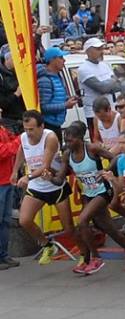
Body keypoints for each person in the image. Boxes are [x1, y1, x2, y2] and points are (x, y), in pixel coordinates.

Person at [61, 122, 125, 275]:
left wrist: (105, 171)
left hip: (103, 191)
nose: (68, 143)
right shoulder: (67, 154)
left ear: (80, 139)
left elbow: (116, 158)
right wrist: (47, 174)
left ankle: (95, 259)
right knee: (108, 228)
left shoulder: (92, 148)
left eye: (71, 140)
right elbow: (60, 177)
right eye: (66, 140)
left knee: (83, 221)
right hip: (87, 193)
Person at [14, 110, 75, 265]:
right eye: (26, 129)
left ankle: (85, 255)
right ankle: (47, 245)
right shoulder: (24, 137)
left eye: (32, 129)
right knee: (24, 220)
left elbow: (45, 166)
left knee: (68, 228)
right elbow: (21, 150)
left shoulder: (50, 137)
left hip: (55, 185)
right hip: (37, 186)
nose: (28, 133)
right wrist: (15, 171)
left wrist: (26, 177)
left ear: (41, 126)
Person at [77, 37, 122, 127]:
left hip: (110, 110)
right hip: (94, 113)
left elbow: (118, 86)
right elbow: (102, 88)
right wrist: (112, 81)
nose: (101, 51)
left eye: (101, 48)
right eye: (97, 49)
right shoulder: (84, 69)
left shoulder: (105, 64)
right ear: (88, 51)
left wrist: (108, 84)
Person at [36, 47, 79, 140]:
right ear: (52, 60)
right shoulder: (45, 80)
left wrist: (68, 98)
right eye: (61, 57)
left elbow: (56, 97)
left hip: (56, 123)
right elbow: (43, 107)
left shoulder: (57, 76)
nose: (64, 60)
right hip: (49, 125)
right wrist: (65, 105)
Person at [0, 120, 20, 270]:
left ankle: (4, 255)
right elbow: (3, 151)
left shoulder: (2, 127)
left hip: (7, 179)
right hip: (2, 181)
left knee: (6, 220)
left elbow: (11, 142)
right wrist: (21, 139)